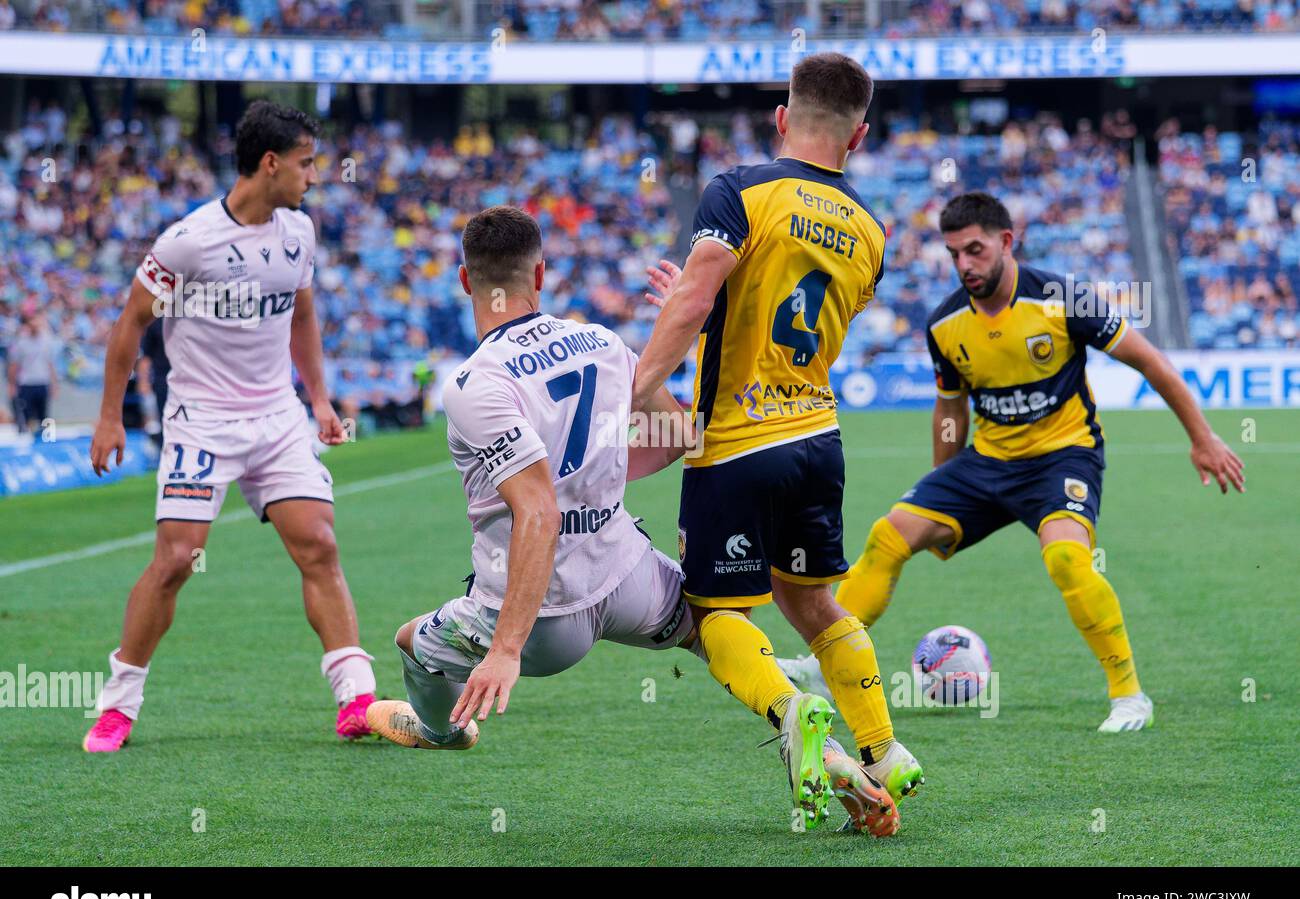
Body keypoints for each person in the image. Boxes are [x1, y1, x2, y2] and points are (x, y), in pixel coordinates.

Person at [366, 206, 897, 836]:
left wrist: (506, 649)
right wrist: (602, 468)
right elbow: (676, 436)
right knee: (715, 633)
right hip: (624, 576)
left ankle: (441, 730)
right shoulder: (601, 342)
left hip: (540, 618)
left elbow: (538, 509)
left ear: (463, 281)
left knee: (412, 645)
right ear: (542, 271)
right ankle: (814, 734)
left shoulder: (472, 383)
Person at [793, 192, 1245, 732]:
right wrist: (940, 483)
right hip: (987, 462)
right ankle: (827, 664)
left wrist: (1202, 437)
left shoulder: (1061, 299)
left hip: (1064, 458)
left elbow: (1150, 361)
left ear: (1007, 242)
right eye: (955, 253)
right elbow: (949, 407)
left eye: (976, 250)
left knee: (1067, 560)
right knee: (890, 534)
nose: (965, 265)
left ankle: (1129, 695)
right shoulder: (945, 323)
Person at [631, 52, 924, 811]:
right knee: (817, 607)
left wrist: (641, 382)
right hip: (817, 442)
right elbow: (773, 309)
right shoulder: (871, 231)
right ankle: (885, 750)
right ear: (858, 137)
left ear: (782, 118)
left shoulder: (740, 189)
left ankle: (793, 714)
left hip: (738, 442)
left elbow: (703, 298)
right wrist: (702, 299)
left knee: (718, 613)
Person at [84, 102, 377, 751]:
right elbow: (131, 323)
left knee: (319, 543)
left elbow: (302, 317)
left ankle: (355, 695)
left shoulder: (298, 232)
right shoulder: (187, 241)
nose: (313, 175)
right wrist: (109, 417)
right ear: (270, 163)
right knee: (176, 561)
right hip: (201, 424)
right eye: (305, 163)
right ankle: (117, 706)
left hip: (277, 418)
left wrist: (321, 401)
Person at [7, 314, 59, 435]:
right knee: (28, 415)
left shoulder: (46, 341)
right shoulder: (21, 342)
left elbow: (50, 363)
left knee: (44, 416)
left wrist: (54, 383)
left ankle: (47, 440)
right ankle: (30, 440)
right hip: (27, 383)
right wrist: (12, 384)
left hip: (42, 381)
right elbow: (14, 365)